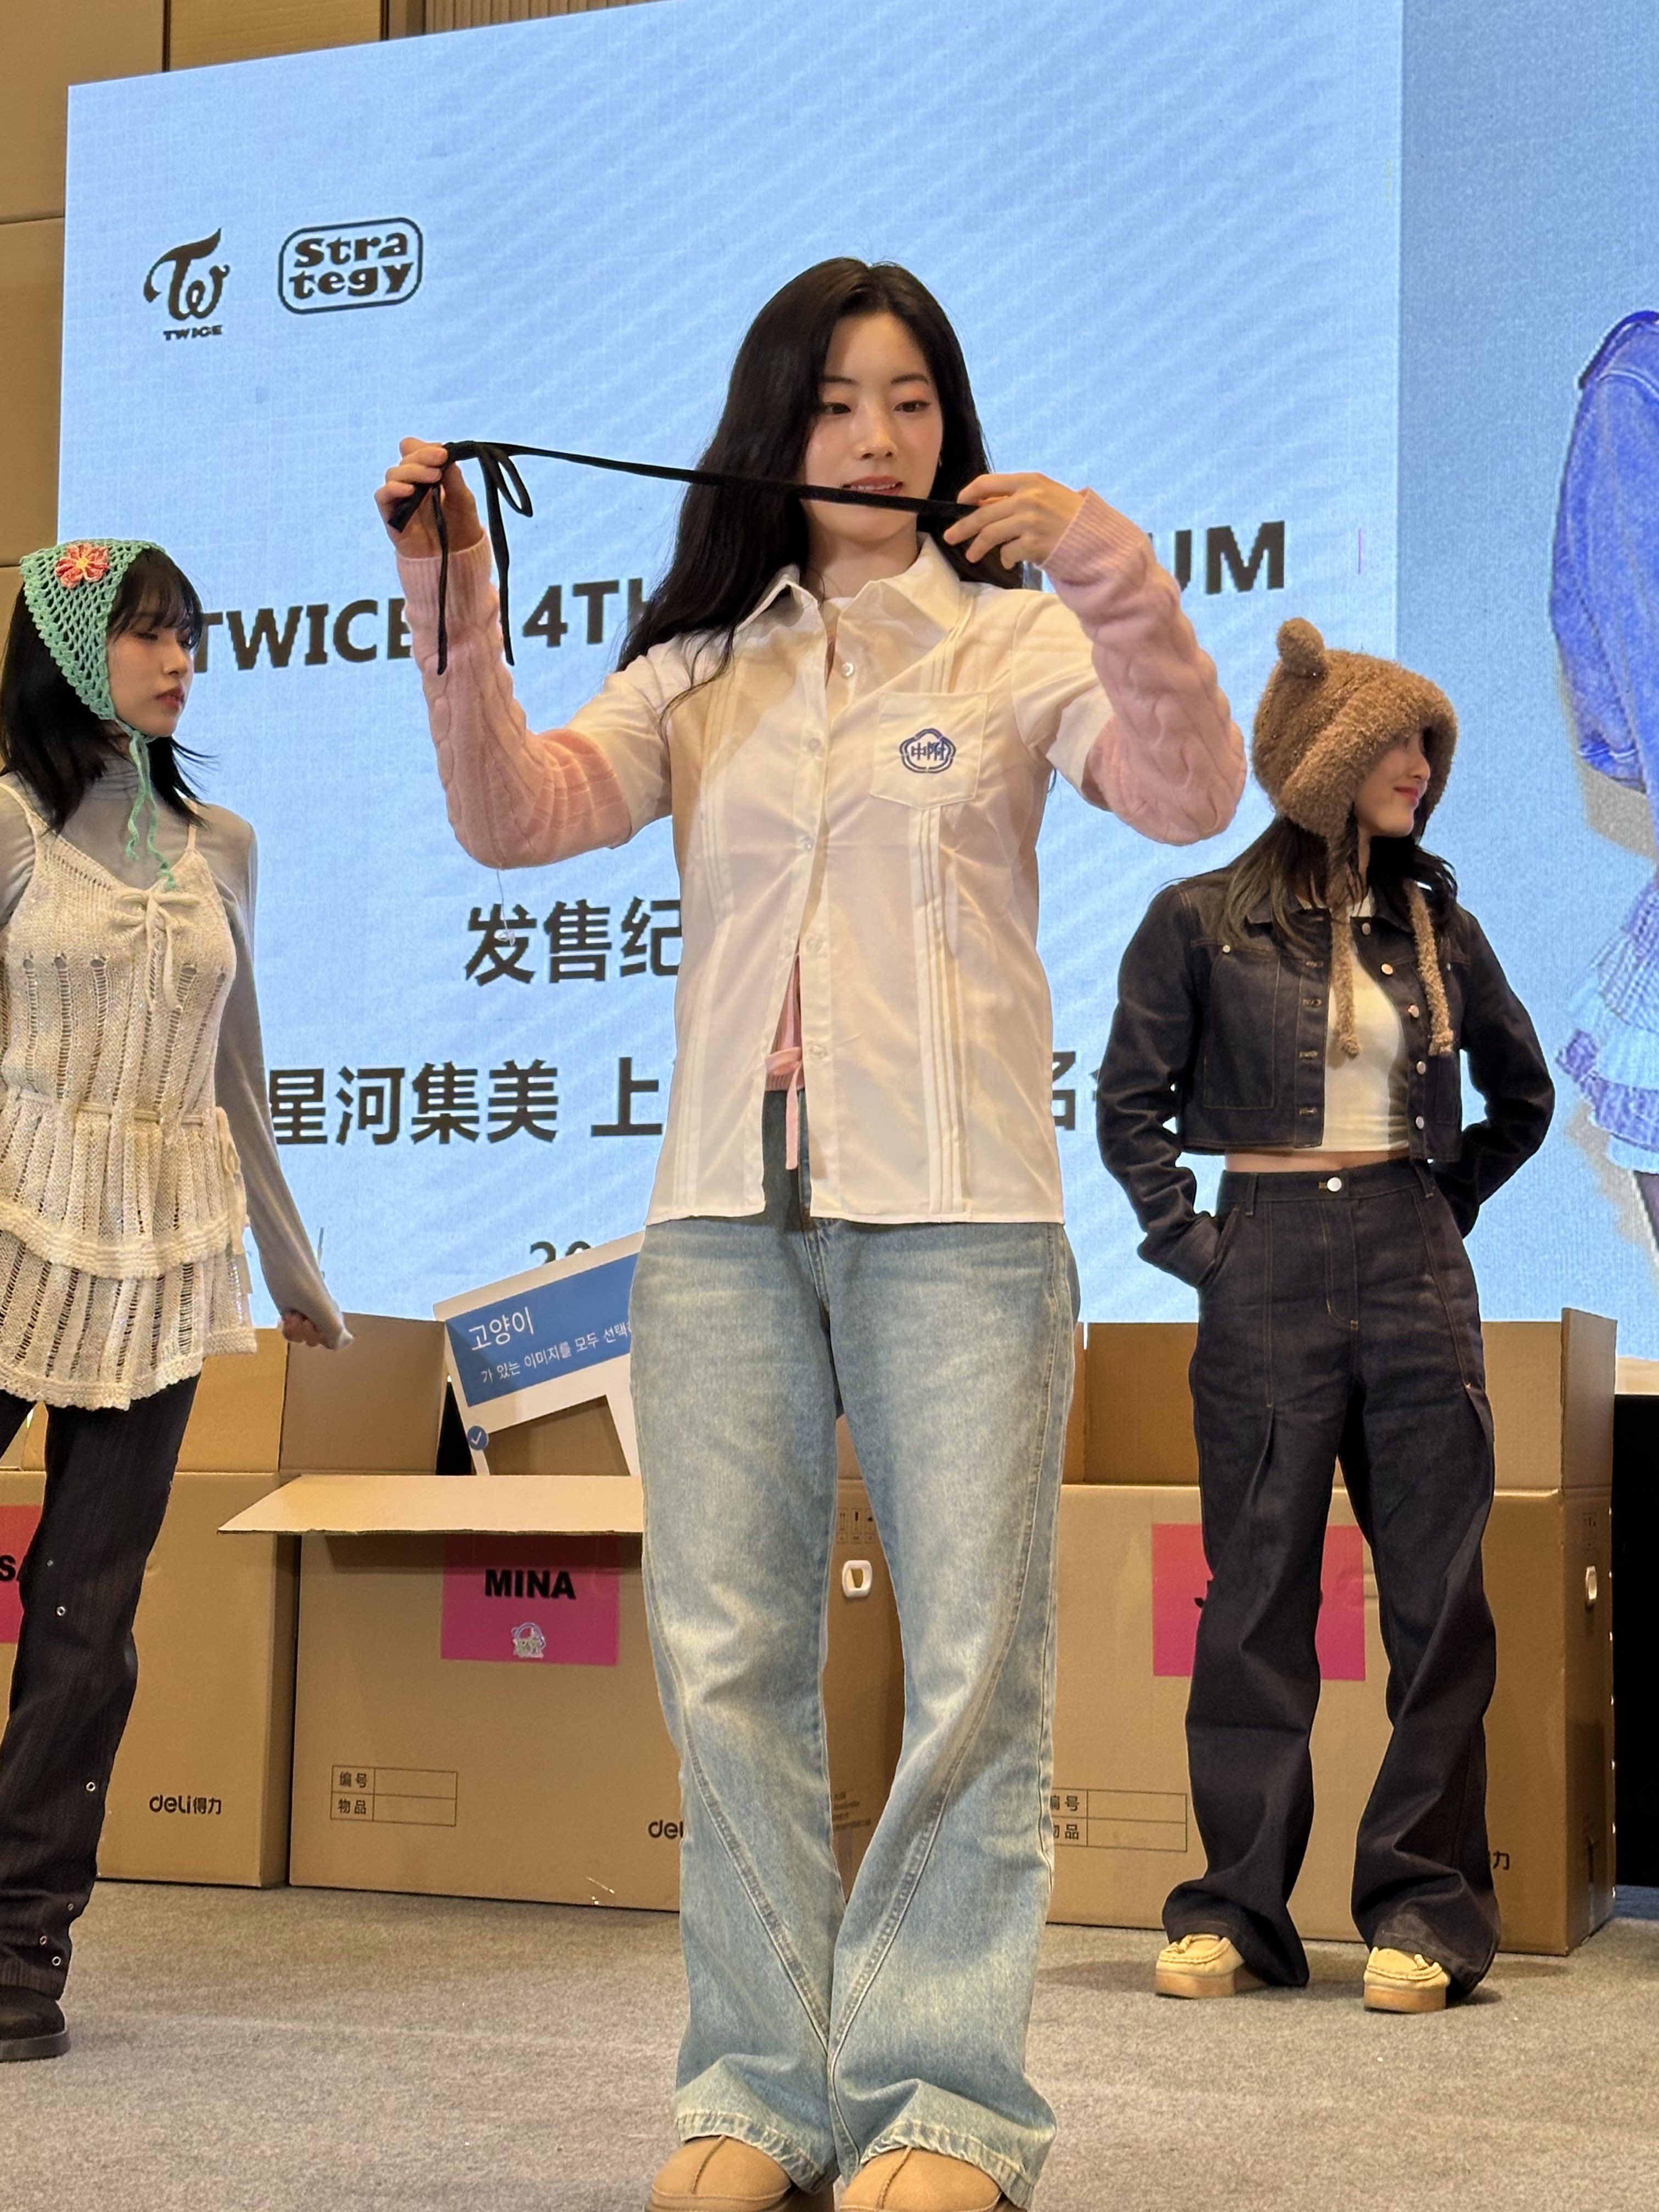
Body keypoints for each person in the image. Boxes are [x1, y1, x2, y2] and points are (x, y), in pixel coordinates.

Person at [379, 259, 1244, 2211]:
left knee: (975, 1672)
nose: (877, 438)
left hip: (962, 1213)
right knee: (726, 1664)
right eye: (841, 402)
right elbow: (518, 818)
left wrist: (1109, 565)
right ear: (776, 428)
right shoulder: (702, 668)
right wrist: (451, 594)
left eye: (912, 401)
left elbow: (1192, 791)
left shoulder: (1015, 643)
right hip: (718, 1221)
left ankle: (945, 2100)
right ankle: (759, 2089)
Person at [1098, 617, 1553, 2014]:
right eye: (1397, 742)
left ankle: (1426, 1911)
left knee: (1438, 1608)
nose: (1422, 766)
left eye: (1429, 746)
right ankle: (1234, 1912)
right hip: (1267, 1269)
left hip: (1414, 1273)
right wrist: (1204, 1250)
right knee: (1252, 1603)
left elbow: (1525, 1097)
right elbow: (1129, 1111)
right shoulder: (1197, 920)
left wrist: (1437, 1207)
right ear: (1323, 759)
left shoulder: (1440, 928)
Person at [0, 538, 347, 2064]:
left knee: (90, 1612)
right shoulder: (10, 823)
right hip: (14, 1210)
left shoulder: (226, 846)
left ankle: (19, 1948)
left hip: (165, 1237)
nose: (178, 661)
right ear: (73, 649)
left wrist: (293, 1267)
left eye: (189, 635)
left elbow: (236, 1072)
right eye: (145, 634)